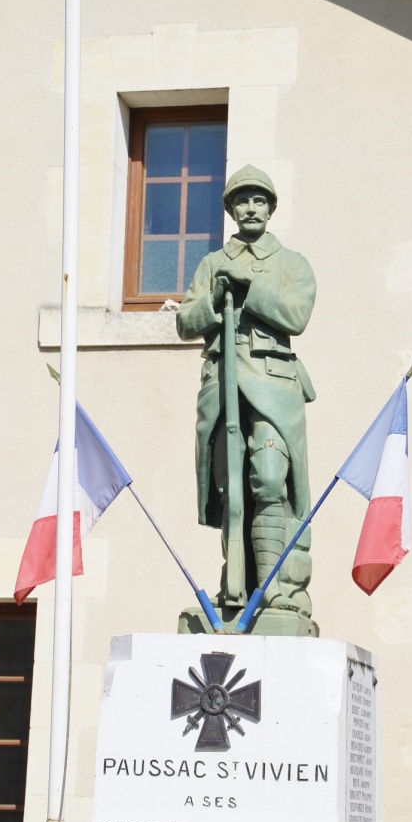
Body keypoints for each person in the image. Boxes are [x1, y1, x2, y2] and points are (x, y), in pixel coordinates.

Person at [176, 165, 316, 617]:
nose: (251, 208)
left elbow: (296, 316)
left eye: (259, 200)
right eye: (242, 200)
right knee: (231, 488)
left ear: (271, 208)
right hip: (223, 383)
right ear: (231, 209)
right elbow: (185, 321)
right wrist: (216, 299)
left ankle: (278, 590)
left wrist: (249, 287)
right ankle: (235, 586)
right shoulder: (212, 263)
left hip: (273, 383)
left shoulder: (292, 263)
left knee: (271, 479)